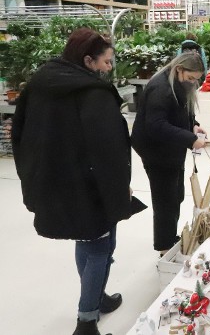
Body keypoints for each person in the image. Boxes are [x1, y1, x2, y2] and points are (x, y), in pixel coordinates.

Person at [12, 28, 145, 335]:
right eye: (106, 62)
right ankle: (86, 321)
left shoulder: (41, 83)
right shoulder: (92, 94)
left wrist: (31, 177)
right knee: (101, 246)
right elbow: (109, 150)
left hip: (54, 182)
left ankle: (96, 296)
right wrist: (118, 187)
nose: (109, 69)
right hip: (89, 185)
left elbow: (19, 133)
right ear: (87, 60)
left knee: (85, 239)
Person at [131, 52, 207, 255]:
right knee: (165, 199)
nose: (193, 82)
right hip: (156, 152)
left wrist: (193, 126)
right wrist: (190, 139)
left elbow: (181, 112)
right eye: (191, 78)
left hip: (171, 148)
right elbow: (156, 126)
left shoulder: (178, 84)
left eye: (196, 79)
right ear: (179, 69)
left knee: (175, 195)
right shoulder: (160, 89)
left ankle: (169, 238)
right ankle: (164, 247)